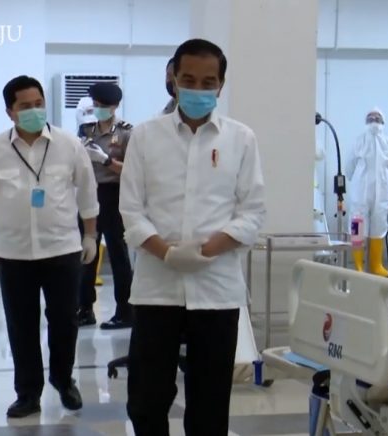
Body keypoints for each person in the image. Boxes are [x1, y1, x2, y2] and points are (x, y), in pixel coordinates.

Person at [120, 38, 266, 436]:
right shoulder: (145, 137)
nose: (197, 89)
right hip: (156, 288)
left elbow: (252, 211)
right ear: (173, 78)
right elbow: (131, 210)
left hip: (216, 288)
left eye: (208, 82)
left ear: (221, 84)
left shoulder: (241, 139)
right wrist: (167, 253)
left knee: (209, 403)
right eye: (188, 80)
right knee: (146, 399)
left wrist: (207, 250)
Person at [0, 75, 99, 418]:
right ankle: (27, 393)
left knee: (65, 320)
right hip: (13, 253)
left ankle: (63, 379)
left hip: (62, 249)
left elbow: (88, 193)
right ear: (10, 112)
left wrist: (90, 235)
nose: (34, 111)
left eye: (38, 104)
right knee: (21, 324)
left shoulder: (69, 145)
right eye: (25, 106)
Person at [76, 82, 135, 330]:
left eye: (102, 105)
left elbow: (133, 171)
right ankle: (84, 308)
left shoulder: (126, 133)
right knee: (86, 253)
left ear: (115, 106)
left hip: (114, 195)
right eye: (95, 104)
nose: (97, 109)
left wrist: (106, 160)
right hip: (89, 193)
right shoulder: (86, 129)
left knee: (118, 253)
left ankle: (125, 310)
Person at [346, 108, 388, 277]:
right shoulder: (358, 142)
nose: (374, 119)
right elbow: (349, 168)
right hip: (360, 194)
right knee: (357, 226)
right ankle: (358, 265)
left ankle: (376, 265)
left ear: (383, 122)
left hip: (381, 194)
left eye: (377, 117)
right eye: (370, 117)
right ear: (365, 122)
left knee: (379, 226)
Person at [75, 96, 106, 288]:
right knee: (84, 246)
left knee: (113, 247)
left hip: (108, 194)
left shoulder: (120, 132)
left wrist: (104, 159)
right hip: (81, 199)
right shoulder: (73, 143)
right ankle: (84, 299)